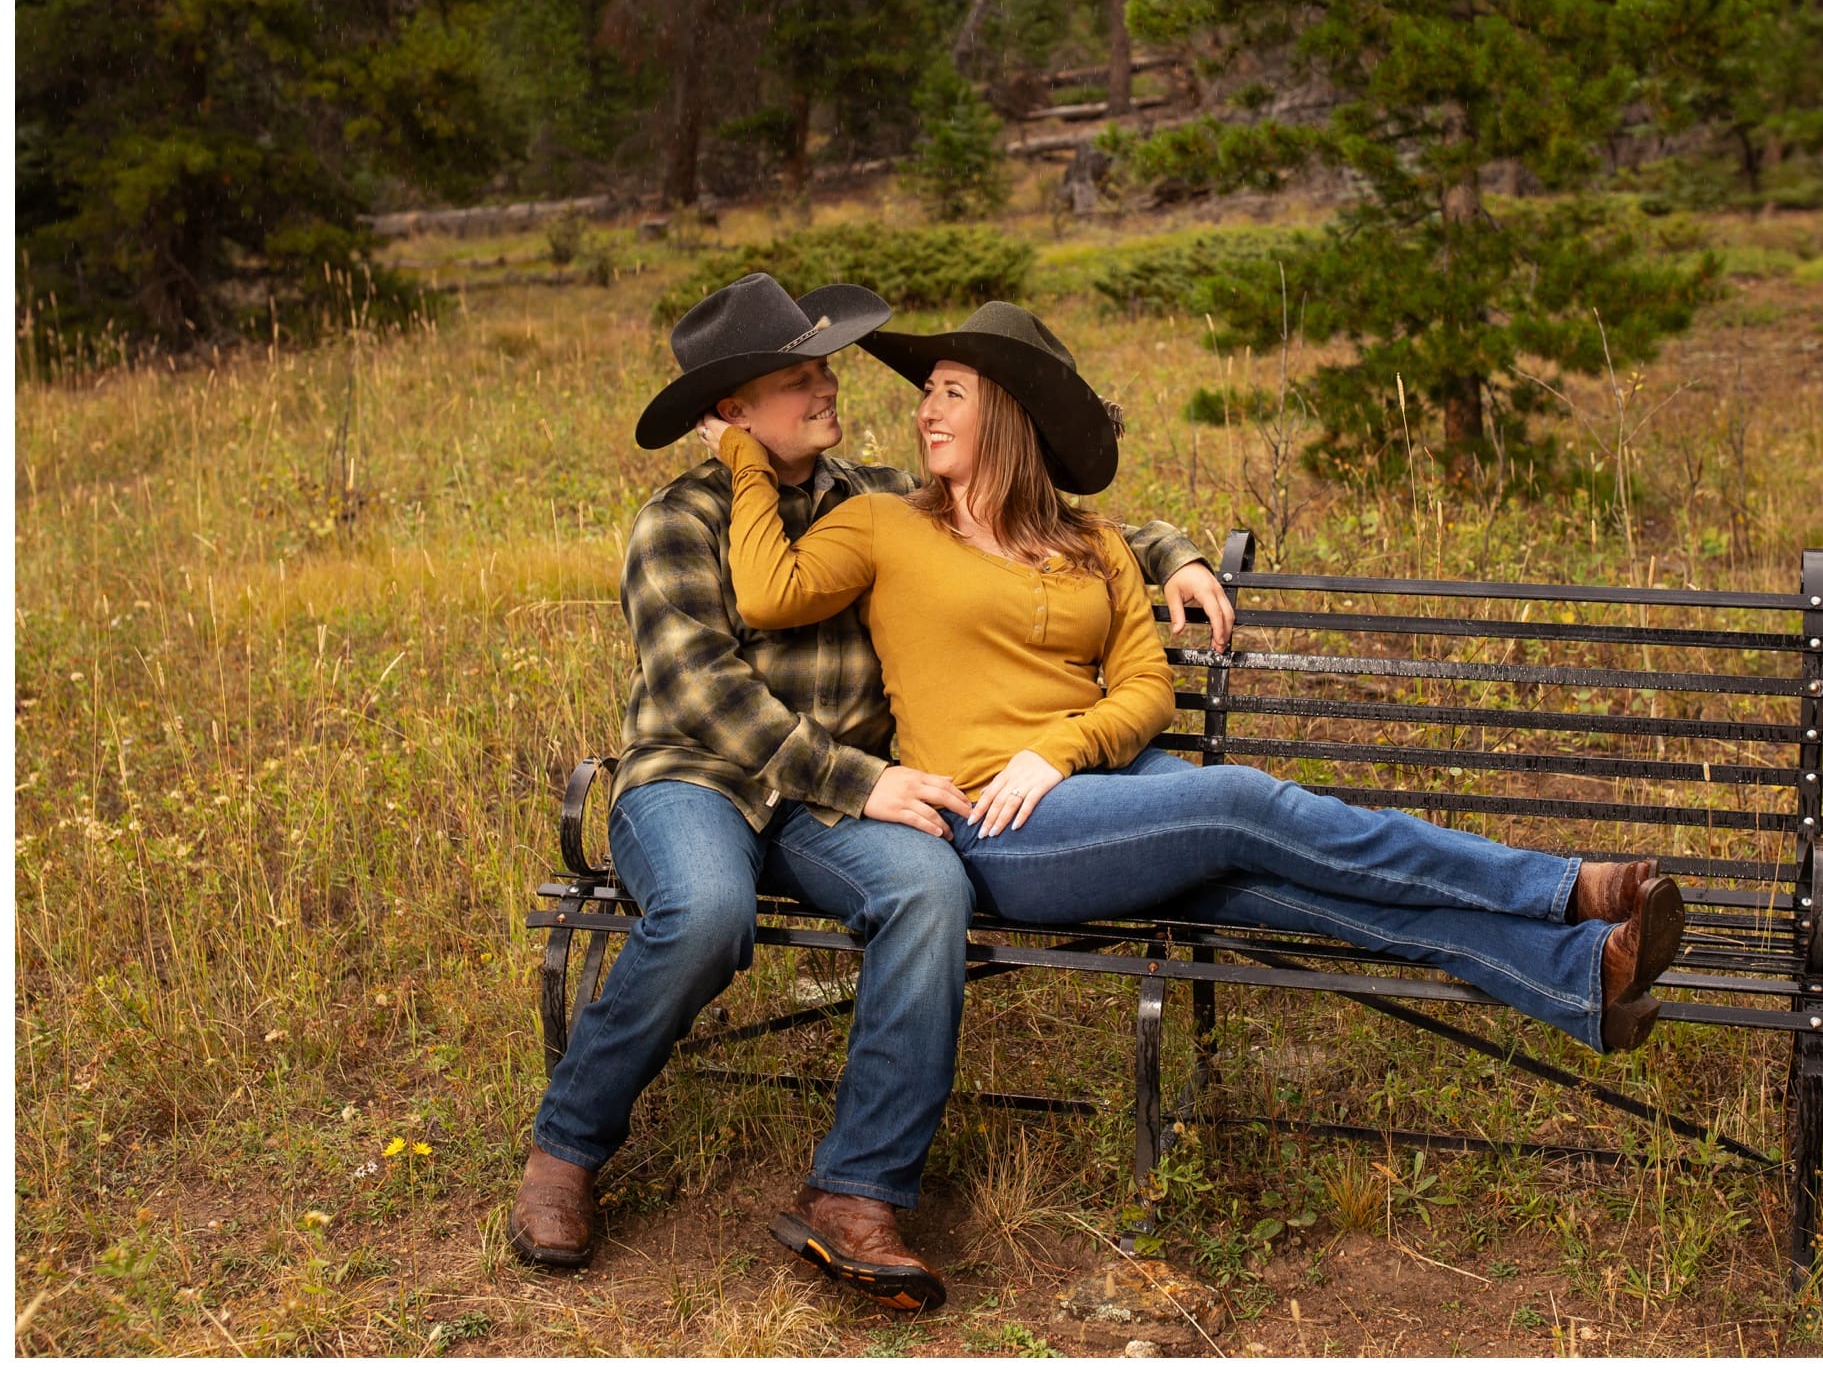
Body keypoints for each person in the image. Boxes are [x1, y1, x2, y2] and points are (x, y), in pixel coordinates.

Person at [703, 300, 1687, 1083]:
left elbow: (1144, 691)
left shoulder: (1094, 547)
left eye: (949, 391)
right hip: (995, 818)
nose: (923, 408)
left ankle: (1579, 975)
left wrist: (1065, 746)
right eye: (927, 391)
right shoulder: (886, 525)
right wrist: (745, 453)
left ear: (1007, 411)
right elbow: (767, 589)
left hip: (1109, 787)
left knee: (1278, 881)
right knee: (1240, 798)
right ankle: (1563, 886)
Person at [511, 274, 1231, 1316]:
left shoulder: (872, 494)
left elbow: (1024, 504)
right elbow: (710, 698)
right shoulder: (674, 520)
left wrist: (1171, 550)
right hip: (696, 781)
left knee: (928, 887)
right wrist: (868, 777)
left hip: (835, 803)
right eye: (795, 378)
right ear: (734, 416)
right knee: (707, 907)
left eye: (822, 366)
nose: (825, 385)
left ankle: (854, 1191)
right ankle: (566, 1148)